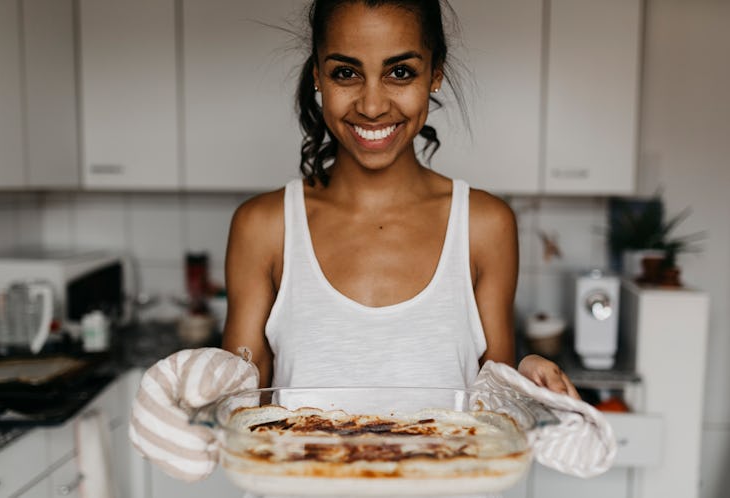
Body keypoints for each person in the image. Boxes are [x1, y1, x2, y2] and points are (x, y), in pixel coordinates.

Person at [221, 0, 579, 397]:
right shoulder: (263, 227)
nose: (372, 106)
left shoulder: (484, 225)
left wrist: (527, 377)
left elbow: (495, 408)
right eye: (346, 73)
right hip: (298, 462)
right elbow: (240, 407)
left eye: (400, 72)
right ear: (318, 77)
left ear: (435, 73)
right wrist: (200, 384)